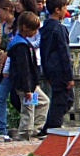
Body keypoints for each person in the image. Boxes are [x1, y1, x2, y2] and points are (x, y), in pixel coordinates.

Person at [6, 10, 49, 139]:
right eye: (34, 30)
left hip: (31, 85)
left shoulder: (23, 42)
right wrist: (27, 89)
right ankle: (25, 134)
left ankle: (35, 129)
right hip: (26, 86)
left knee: (43, 102)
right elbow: (23, 69)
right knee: (28, 109)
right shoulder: (20, 46)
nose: (36, 33)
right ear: (25, 27)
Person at [38, 0, 74, 133]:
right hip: (60, 70)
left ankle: (50, 126)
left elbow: (43, 51)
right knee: (64, 100)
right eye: (65, 8)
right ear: (57, 10)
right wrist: (69, 76)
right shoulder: (60, 29)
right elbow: (64, 53)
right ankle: (52, 128)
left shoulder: (45, 27)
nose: (66, 11)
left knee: (61, 99)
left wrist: (46, 72)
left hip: (50, 69)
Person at [0, 0, 16, 139]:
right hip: (5, 70)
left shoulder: (17, 25)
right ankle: (1, 129)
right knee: (0, 97)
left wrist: (8, 52)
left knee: (26, 97)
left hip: (16, 67)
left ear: (7, 9)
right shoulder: (2, 27)